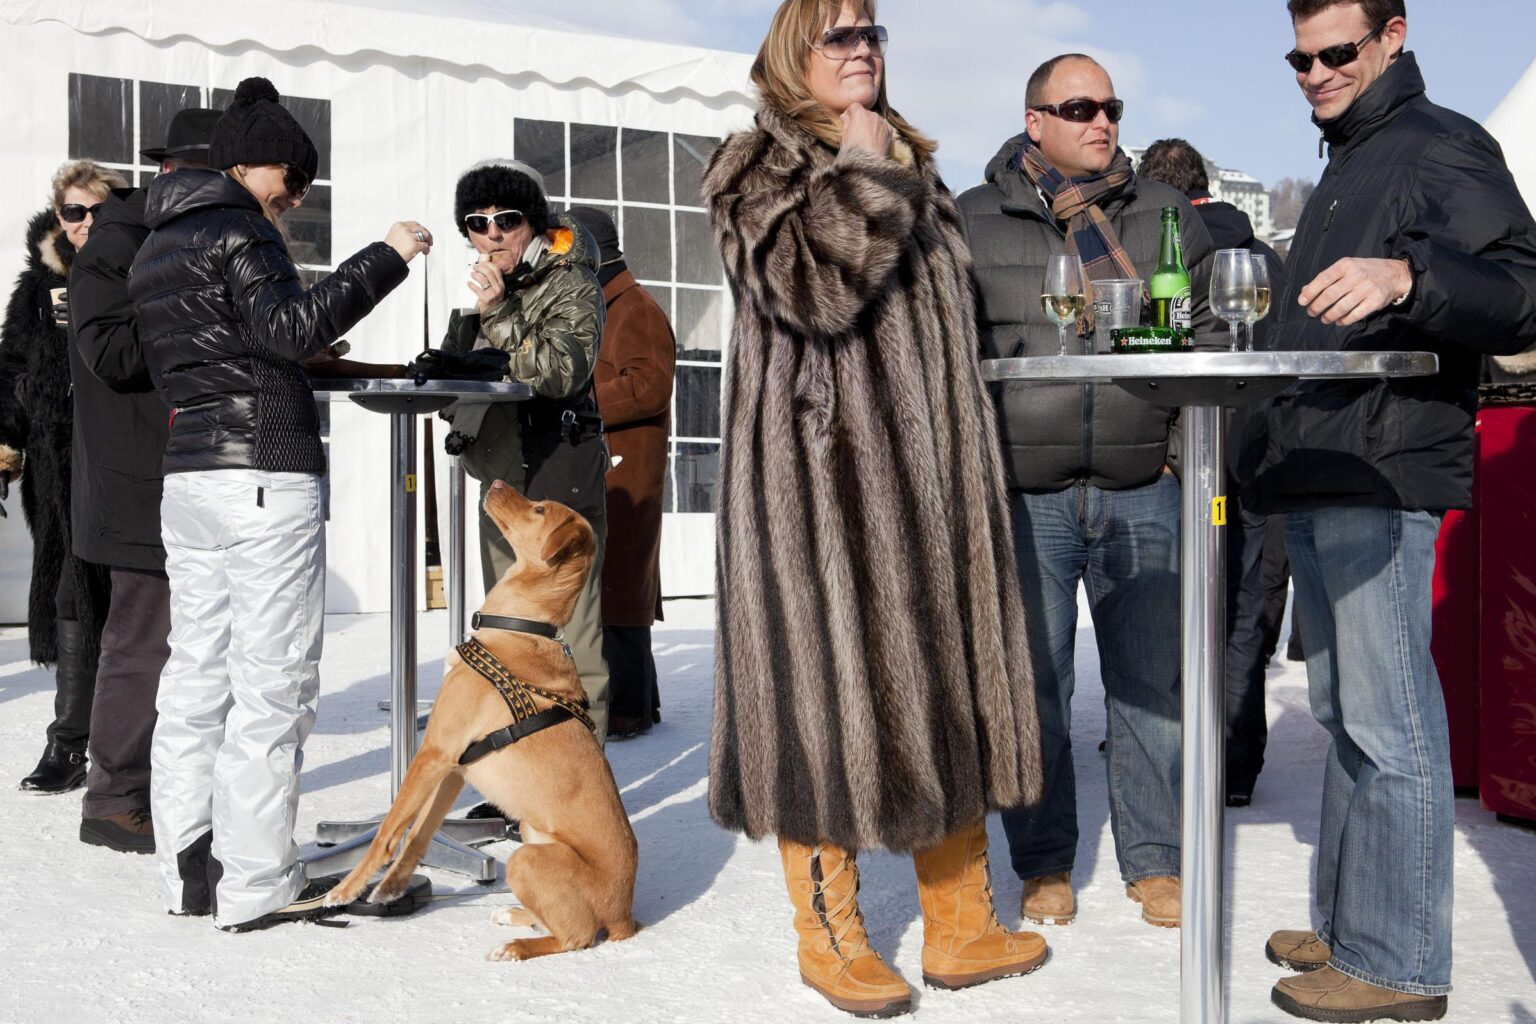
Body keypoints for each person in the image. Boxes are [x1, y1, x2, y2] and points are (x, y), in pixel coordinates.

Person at [705, 1, 1046, 1016]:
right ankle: (829, 933)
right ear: (792, 54)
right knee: (821, 700)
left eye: (871, 33)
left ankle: (961, 923)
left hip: (937, 483)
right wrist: (862, 169)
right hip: (820, 490)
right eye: (838, 35)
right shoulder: (752, 166)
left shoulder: (915, 166)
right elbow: (812, 292)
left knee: (948, 680)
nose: (861, 49)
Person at [1244, 2, 1536, 1019]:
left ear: (1393, 36)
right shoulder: (1350, 159)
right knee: (1344, 716)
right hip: (1322, 461)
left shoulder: (1441, 143)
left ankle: (1402, 963)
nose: (1315, 72)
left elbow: (1522, 291)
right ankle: (1351, 923)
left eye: (1336, 51)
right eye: (1299, 57)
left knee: (1389, 718)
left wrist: (1410, 276)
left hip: (1384, 467)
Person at [128, 77, 430, 930]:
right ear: (252, 164)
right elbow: (290, 331)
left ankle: (188, 873)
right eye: (292, 180)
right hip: (264, 471)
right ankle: (257, 883)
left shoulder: (156, 246)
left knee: (195, 676)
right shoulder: (240, 228)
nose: (295, 199)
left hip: (191, 476)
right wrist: (387, 255)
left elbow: (214, 350)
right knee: (273, 685)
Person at [957, 55, 1220, 931]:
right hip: (1023, 496)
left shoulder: (1164, 213)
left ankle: (1156, 860)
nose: (1102, 121)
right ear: (1034, 120)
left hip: (1142, 482)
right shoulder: (972, 217)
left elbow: (1210, 341)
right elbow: (948, 359)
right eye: (1079, 108)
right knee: (1033, 691)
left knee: (1152, 688)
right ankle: (1042, 861)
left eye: (1111, 107)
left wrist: (1177, 456)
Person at [67, 108, 222, 854]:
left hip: (185, 468)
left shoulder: (174, 236)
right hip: (137, 478)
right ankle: (113, 798)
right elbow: (111, 355)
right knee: (140, 639)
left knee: (187, 642)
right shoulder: (116, 243)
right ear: (172, 174)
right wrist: (202, 319)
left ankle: (160, 789)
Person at [1137, 137, 1287, 807]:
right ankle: (1235, 761)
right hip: (1251, 457)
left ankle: (1168, 746)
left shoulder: (1159, 258)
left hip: (1173, 462)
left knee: (1166, 604)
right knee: (1242, 606)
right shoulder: (1265, 260)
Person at [440, 160, 611, 739]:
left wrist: (498, 313)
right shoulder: (485, 287)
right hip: (500, 478)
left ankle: (583, 778)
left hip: (556, 470)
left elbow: (562, 372)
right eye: (477, 223)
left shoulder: (570, 279)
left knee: (570, 635)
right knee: (509, 633)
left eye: (506, 220)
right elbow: (460, 371)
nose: (492, 234)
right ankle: (525, 766)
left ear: (532, 222)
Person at [1, 160, 122, 794]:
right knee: (72, 591)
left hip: (127, 460)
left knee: (132, 600)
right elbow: (11, 365)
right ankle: (70, 742)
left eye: (98, 211)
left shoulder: (139, 270)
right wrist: (6, 438)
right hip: (57, 464)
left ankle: (133, 742)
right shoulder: (38, 286)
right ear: (58, 217)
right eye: (74, 212)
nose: (85, 223)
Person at [568, 205, 674, 740]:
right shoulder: (605, 304)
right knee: (611, 584)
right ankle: (639, 704)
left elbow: (651, 386)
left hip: (627, 467)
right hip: (608, 462)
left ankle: (628, 711)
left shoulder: (635, 307)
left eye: (565, 245)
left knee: (622, 588)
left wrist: (578, 399)